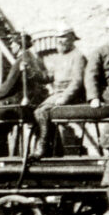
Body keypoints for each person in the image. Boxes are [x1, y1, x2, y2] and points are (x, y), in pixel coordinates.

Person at [32, 27, 88, 158]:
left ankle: (44, 148)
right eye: (58, 38)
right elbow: (48, 77)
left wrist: (65, 97)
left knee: (41, 112)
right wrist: (31, 73)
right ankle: (54, 149)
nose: (60, 41)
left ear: (72, 39)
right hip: (57, 94)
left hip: (73, 96)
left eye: (63, 37)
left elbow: (77, 82)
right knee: (35, 111)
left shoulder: (78, 57)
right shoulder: (59, 58)